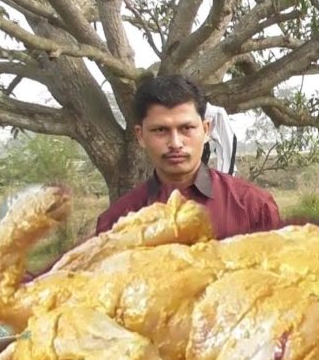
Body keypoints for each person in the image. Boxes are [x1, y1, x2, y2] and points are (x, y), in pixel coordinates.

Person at [96, 74, 280, 238]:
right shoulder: (116, 222)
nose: (175, 143)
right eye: (160, 130)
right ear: (141, 136)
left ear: (206, 130)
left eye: (187, 128)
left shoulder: (253, 208)